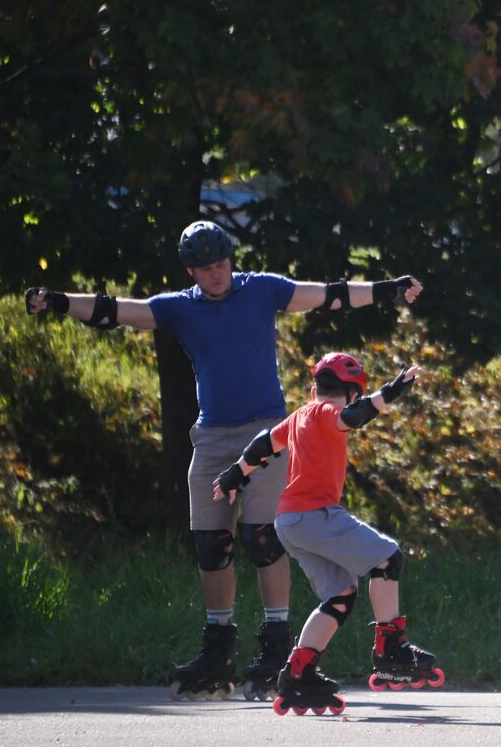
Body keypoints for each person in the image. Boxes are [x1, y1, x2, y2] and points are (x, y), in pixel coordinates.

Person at [24, 220, 423, 700]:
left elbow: (329, 295)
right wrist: (60, 301)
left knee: (264, 539)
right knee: (210, 543)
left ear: (230, 260)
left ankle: (276, 645)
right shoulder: (180, 308)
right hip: (212, 435)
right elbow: (116, 311)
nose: (214, 274)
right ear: (191, 270)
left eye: (220, 264)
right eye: (203, 268)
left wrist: (389, 289)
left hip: (267, 431)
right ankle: (219, 649)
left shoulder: (262, 291)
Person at [212, 351, 442, 717]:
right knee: (388, 558)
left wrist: (233, 476)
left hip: (289, 522)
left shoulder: (299, 416)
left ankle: (298, 673)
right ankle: (391, 648)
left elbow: (262, 443)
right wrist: (391, 392)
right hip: (315, 514)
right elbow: (353, 416)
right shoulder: (325, 412)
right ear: (351, 391)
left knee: (340, 595)